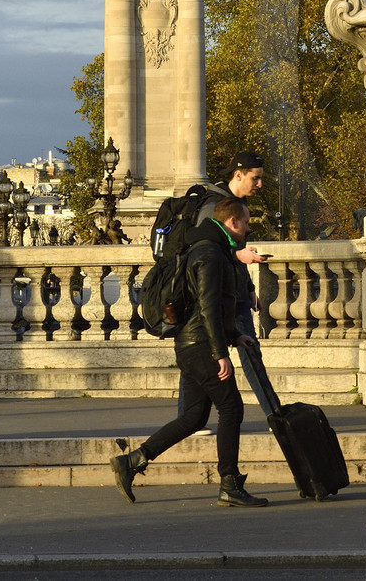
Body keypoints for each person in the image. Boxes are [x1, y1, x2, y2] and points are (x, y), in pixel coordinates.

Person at [110, 197, 266, 507]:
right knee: (232, 408)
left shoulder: (210, 247)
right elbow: (207, 305)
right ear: (233, 222)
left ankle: (133, 461)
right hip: (201, 347)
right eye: (246, 223)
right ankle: (229, 484)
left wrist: (237, 334)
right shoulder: (210, 253)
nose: (248, 228)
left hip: (193, 343)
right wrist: (221, 351)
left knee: (195, 416)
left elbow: (203, 306)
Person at [179, 151, 271, 426]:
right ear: (238, 175)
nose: (260, 185)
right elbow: (203, 253)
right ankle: (273, 414)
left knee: (244, 351)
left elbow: (234, 250)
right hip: (217, 296)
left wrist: (250, 286)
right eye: (255, 178)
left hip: (235, 293)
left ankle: (190, 419)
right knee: (211, 358)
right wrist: (237, 257)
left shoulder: (235, 206)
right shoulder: (214, 206)